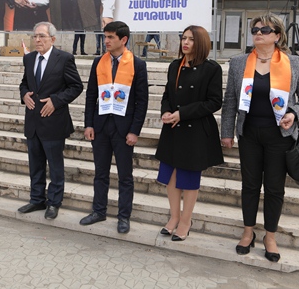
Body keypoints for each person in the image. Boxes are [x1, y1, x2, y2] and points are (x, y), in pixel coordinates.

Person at [221, 14, 299, 263]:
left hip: (280, 136)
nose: (258, 33)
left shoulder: (292, 62)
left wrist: (294, 113)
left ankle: (270, 236)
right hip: (249, 134)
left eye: (265, 30)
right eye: (255, 30)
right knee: (250, 185)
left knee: (274, 187)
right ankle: (248, 231)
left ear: (277, 35)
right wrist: (226, 132)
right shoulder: (239, 62)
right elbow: (230, 100)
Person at [155, 25, 223, 241]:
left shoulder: (211, 69)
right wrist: (166, 111)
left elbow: (214, 102)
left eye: (191, 39)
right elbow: (167, 94)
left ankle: (186, 220)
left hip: (195, 131)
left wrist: (182, 114)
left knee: (189, 177)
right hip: (173, 129)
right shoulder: (175, 65)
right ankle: (174, 217)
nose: (185, 42)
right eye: (184, 38)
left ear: (201, 43)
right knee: (170, 175)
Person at [80, 21, 148, 234]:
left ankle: (124, 216)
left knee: (125, 176)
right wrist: (88, 124)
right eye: (105, 36)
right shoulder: (98, 62)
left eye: (111, 37)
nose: (106, 41)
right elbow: (91, 95)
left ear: (123, 39)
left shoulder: (137, 64)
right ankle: (98, 211)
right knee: (100, 173)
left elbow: (142, 101)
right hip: (101, 125)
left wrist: (135, 130)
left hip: (124, 128)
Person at [18, 22, 83, 220]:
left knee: (55, 166)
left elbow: (76, 86)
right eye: (35, 36)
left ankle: (54, 202)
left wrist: (56, 101)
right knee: (35, 165)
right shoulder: (29, 58)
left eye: (42, 36)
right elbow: (24, 83)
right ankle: (36, 199)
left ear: (52, 39)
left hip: (53, 121)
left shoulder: (64, 59)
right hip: (33, 122)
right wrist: (24, 95)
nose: (37, 40)